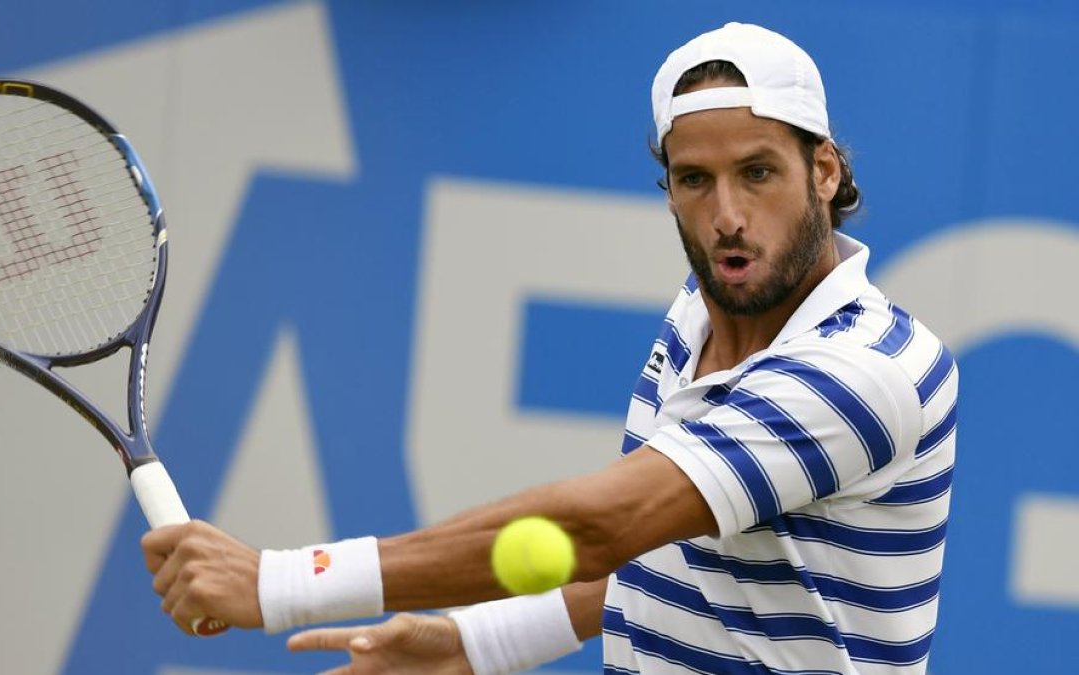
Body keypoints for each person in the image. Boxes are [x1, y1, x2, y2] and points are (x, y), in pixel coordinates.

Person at [142, 22, 957, 674]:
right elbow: (658, 552)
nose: (728, 216)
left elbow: (604, 524)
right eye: (695, 180)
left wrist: (281, 583)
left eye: (757, 172)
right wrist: (479, 644)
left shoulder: (862, 373)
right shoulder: (699, 314)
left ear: (824, 169)